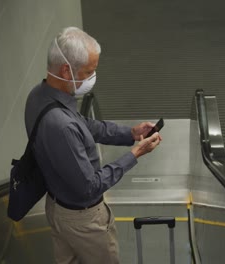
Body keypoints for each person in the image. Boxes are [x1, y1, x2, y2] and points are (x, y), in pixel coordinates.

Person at [24, 27, 162, 264]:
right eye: (89, 72)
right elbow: (90, 186)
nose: (92, 78)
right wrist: (135, 154)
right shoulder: (61, 126)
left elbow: (84, 125)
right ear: (66, 70)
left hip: (57, 207)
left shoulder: (39, 95)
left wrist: (130, 133)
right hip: (83, 221)